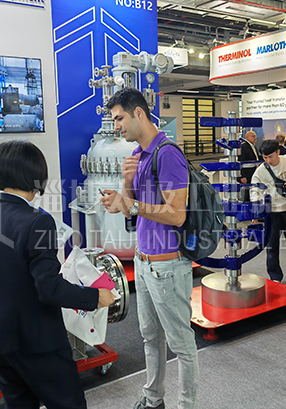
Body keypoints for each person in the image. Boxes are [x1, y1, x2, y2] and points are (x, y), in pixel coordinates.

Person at [0, 140, 116, 409]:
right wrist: (95, 297)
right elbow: (49, 289)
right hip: (37, 341)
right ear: (35, 176)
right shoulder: (38, 221)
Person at [99, 88, 198, 409]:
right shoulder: (139, 154)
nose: (116, 126)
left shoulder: (167, 154)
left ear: (138, 113)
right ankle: (153, 399)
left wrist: (131, 203)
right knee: (151, 338)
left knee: (181, 344)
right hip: (144, 262)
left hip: (167, 266)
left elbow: (177, 214)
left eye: (119, 118)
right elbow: (131, 210)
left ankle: (186, 405)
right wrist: (125, 188)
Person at [250, 139, 286, 284]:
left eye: (271, 157)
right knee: (272, 246)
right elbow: (255, 191)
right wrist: (256, 210)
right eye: (265, 157)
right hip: (272, 212)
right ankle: (275, 277)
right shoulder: (260, 171)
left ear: (278, 152)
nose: (268, 160)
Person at [238, 130, 260, 202]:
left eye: (255, 136)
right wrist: (242, 176)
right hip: (247, 173)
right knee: (246, 192)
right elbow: (240, 161)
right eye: (253, 136)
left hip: (253, 171)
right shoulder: (244, 147)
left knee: (251, 190)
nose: (255, 138)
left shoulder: (253, 146)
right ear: (247, 137)